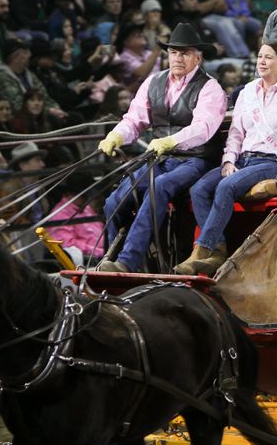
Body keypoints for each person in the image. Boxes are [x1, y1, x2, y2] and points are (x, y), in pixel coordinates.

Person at [175, 41, 277, 276]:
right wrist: (228, 160)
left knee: (226, 187)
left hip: (274, 163)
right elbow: (235, 133)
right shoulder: (247, 92)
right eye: (260, 56)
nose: (261, 61)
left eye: (268, 58)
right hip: (244, 159)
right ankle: (218, 248)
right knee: (199, 189)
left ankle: (202, 250)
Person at [96, 23, 227, 273]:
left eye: (185, 53)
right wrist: (116, 135)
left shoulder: (210, 88)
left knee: (159, 187)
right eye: (174, 52)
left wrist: (171, 141)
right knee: (115, 199)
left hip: (196, 160)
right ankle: (108, 258)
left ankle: (127, 262)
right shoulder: (153, 82)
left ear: (197, 57)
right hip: (160, 158)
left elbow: (203, 128)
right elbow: (134, 120)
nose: (178, 58)